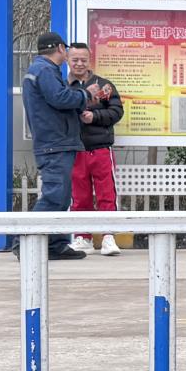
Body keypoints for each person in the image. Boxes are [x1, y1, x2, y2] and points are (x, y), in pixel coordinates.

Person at [22, 34, 88, 262]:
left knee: (61, 197)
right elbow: (59, 98)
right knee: (54, 196)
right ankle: (24, 242)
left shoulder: (41, 70)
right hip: (54, 144)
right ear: (60, 48)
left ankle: (56, 244)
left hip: (55, 143)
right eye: (66, 49)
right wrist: (85, 95)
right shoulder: (45, 70)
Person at [65, 41, 123, 257]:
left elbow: (116, 112)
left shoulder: (103, 86)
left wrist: (95, 116)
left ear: (90, 60)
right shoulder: (63, 88)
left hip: (101, 149)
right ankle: (83, 237)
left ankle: (108, 237)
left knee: (107, 194)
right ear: (68, 60)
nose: (79, 64)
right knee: (79, 197)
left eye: (83, 60)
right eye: (75, 60)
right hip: (75, 150)